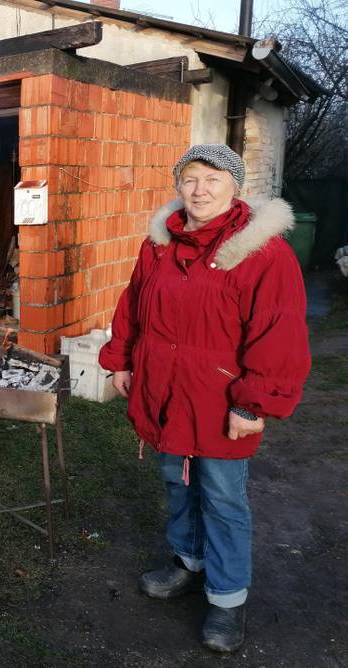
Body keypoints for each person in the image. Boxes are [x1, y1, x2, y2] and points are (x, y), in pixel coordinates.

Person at [99, 144, 310, 653]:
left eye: (213, 179)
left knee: (222, 497)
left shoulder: (261, 251)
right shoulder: (158, 246)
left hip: (220, 397)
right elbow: (133, 304)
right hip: (165, 389)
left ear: (235, 188)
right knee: (178, 482)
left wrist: (252, 403)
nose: (200, 190)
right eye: (191, 179)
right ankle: (187, 562)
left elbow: (279, 331)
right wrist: (122, 360)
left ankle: (228, 597)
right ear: (178, 185)